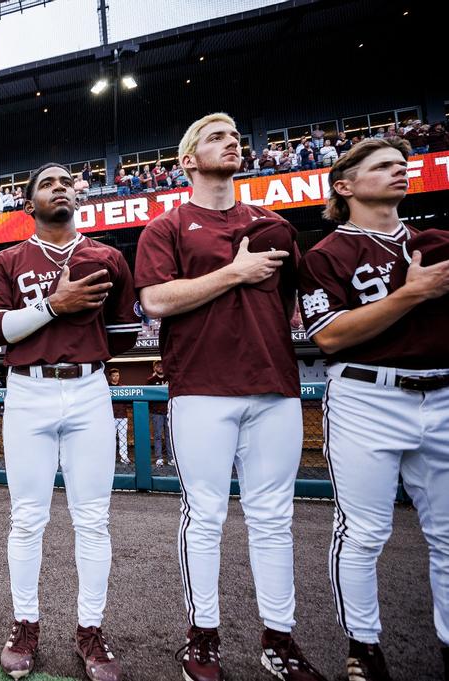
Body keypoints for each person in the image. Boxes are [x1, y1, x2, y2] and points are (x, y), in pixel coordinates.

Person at [135, 112, 325, 681]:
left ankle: (279, 640)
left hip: (274, 386)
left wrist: (243, 277)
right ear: (188, 160)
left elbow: (296, 300)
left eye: (235, 137)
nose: (232, 142)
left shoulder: (274, 225)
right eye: (216, 137)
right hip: (201, 387)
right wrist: (234, 273)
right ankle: (202, 635)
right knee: (207, 516)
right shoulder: (166, 227)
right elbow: (156, 302)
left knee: (273, 519)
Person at [0, 161, 141, 680]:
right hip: (28, 390)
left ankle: (90, 628)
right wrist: (55, 306)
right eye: (47, 183)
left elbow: (123, 334)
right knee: (28, 517)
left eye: (66, 182)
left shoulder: (108, 256)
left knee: (92, 519)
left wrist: (78, 348)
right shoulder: (8, 259)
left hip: (89, 386)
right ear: (30, 203)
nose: (60, 188)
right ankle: (25, 623)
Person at [297, 137, 449, 681]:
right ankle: (363, 647)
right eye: (382, 166)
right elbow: (330, 336)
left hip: (442, 391)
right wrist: (411, 295)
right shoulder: (327, 254)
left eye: (401, 166)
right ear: (345, 185)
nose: (398, 172)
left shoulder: (437, 241)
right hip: (367, 393)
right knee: (363, 531)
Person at [146, 360, 171, 466]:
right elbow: (148, 396)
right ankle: (159, 458)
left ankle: (171, 458)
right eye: (158, 365)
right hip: (157, 412)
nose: (160, 367)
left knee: (169, 436)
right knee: (157, 435)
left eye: (162, 365)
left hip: (169, 411)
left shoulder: (169, 379)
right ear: (154, 368)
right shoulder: (150, 380)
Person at [108, 368, 130, 465]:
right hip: (111, 416)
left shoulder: (123, 387)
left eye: (117, 375)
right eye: (114, 375)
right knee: (110, 437)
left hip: (123, 415)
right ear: (110, 377)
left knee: (123, 437)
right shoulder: (106, 387)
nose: (116, 377)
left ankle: (124, 457)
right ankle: (110, 457)